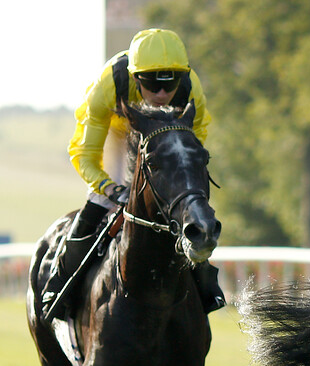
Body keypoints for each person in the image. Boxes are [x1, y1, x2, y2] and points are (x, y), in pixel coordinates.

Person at [42, 29, 225, 318]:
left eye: (170, 84)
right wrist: (110, 188)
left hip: (166, 136)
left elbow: (195, 139)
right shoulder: (110, 83)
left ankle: (205, 285)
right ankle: (59, 286)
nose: (163, 94)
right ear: (136, 77)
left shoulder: (191, 90)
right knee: (101, 202)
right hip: (117, 132)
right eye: (153, 85)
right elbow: (84, 154)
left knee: (186, 208)